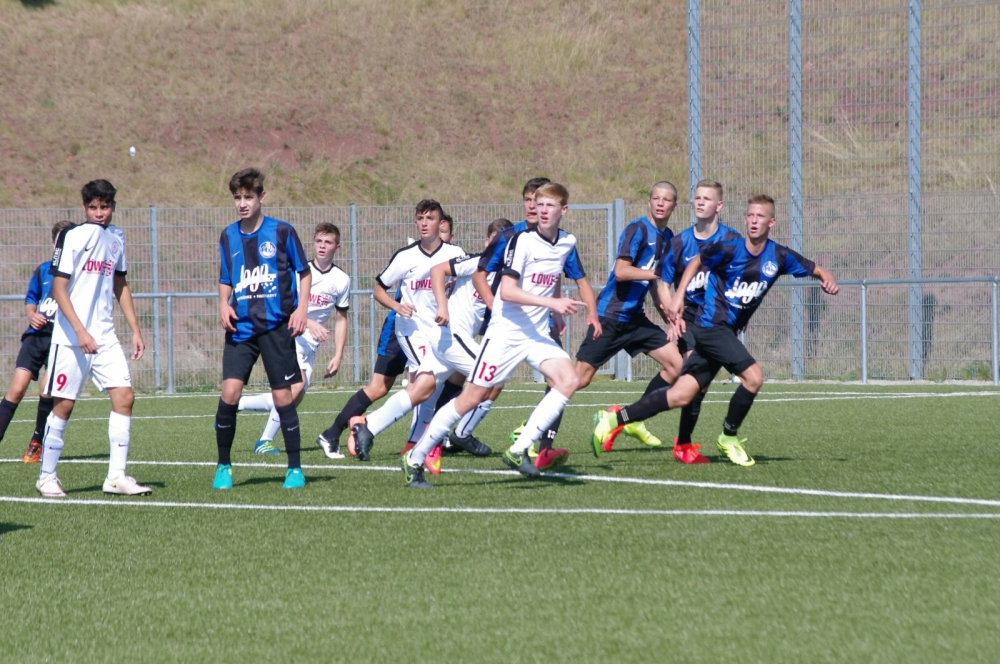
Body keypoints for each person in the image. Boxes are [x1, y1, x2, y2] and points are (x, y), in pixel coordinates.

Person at [593, 194, 839, 466]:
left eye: (760, 216)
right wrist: (678, 296)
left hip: (723, 331)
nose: (754, 220)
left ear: (772, 222)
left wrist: (827, 278)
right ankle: (728, 438)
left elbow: (815, 268)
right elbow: (696, 262)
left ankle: (615, 419)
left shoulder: (779, 256)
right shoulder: (730, 248)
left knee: (681, 394)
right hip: (711, 327)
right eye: (750, 215)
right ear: (745, 219)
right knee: (754, 378)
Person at [400, 182, 600, 488]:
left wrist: (590, 314)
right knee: (471, 398)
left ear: (564, 210)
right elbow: (507, 290)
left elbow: (571, 278)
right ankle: (415, 458)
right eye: (538, 204)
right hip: (505, 333)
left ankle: (519, 449)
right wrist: (553, 304)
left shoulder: (566, 242)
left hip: (535, 334)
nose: (541, 210)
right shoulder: (521, 241)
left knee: (569, 380)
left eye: (548, 205)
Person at [349, 218, 512, 469]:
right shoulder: (476, 262)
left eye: (505, 242)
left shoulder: (508, 275)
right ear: (487, 242)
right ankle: (460, 435)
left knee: (421, 390)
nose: (498, 246)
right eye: (495, 240)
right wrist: (443, 306)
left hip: (449, 338)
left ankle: (368, 426)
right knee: (494, 376)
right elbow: (437, 270)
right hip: (450, 335)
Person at [35, 180, 150, 497]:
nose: (99, 213)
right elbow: (58, 288)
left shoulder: (117, 237)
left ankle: (116, 477)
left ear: (113, 206)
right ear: (85, 207)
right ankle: (46, 476)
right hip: (71, 337)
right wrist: (80, 331)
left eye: (105, 207)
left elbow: (120, 285)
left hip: (105, 336)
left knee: (125, 398)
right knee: (64, 405)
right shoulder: (72, 236)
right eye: (93, 207)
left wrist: (136, 330)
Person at [315, 215, 455, 459]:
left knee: (429, 382)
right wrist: (398, 306)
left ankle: (424, 439)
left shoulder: (453, 257)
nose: (439, 236)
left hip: (431, 330)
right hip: (402, 328)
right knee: (388, 386)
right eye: (436, 230)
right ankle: (342, 432)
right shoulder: (413, 255)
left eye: (444, 233)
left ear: (450, 237)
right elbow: (381, 288)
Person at [213, 167, 311, 490]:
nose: (242, 203)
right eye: (237, 198)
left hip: (275, 327)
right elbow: (226, 278)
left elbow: (304, 272)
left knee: (282, 396)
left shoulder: (282, 232)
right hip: (240, 328)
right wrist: (223, 303)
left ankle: (294, 469)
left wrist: (301, 309)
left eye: (248, 197)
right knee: (230, 393)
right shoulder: (228, 236)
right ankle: (224, 466)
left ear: (261, 197)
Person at [570, 182, 683, 456]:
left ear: (674, 205)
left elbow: (656, 286)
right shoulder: (637, 229)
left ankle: (632, 419)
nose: (660, 203)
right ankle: (529, 429)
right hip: (610, 316)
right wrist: (657, 273)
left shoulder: (668, 237)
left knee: (677, 366)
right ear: (649, 202)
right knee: (578, 379)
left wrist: (668, 317)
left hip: (635, 319)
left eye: (666, 199)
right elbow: (622, 271)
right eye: (656, 198)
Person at [472, 176, 576, 469]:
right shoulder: (511, 237)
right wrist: (493, 306)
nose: (535, 207)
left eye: (542, 202)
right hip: (506, 324)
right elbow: (481, 275)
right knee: (475, 389)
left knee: (565, 379)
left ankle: (533, 447)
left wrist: (557, 310)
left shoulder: (561, 240)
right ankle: (433, 442)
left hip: (537, 327)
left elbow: (555, 274)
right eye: (530, 201)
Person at [237, 223, 350, 454]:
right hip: (289, 333)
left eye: (328, 242)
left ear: (337, 247)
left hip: (310, 344)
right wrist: (309, 322)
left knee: (293, 396)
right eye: (319, 241)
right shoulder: (300, 273)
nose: (322, 246)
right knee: (295, 387)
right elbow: (282, 305)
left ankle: (237, 403)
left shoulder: (342, 280)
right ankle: (264, 441)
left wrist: (338, 355)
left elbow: (341, 319)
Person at [656, 179, 743, 463]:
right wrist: (672, 313)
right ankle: (682, 445)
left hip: (716, 318)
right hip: (690, 317)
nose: (700, 202)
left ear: (719, 205)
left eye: (707, 198)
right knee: (693, 380)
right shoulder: (680, 242)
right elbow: (662, 283)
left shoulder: (732, 240)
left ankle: (626, 419)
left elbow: (741, 280)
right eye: (697, 197)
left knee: (697, 385)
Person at [0, 220, 75, 463]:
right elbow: (31, 299)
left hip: (61, 338)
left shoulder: (80, 273)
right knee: (16, 389)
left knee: (47, 390)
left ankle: (37, 442)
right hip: (36, 337)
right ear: (54, 244)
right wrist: (32, 315)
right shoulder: (43, 270)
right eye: (60, 241)